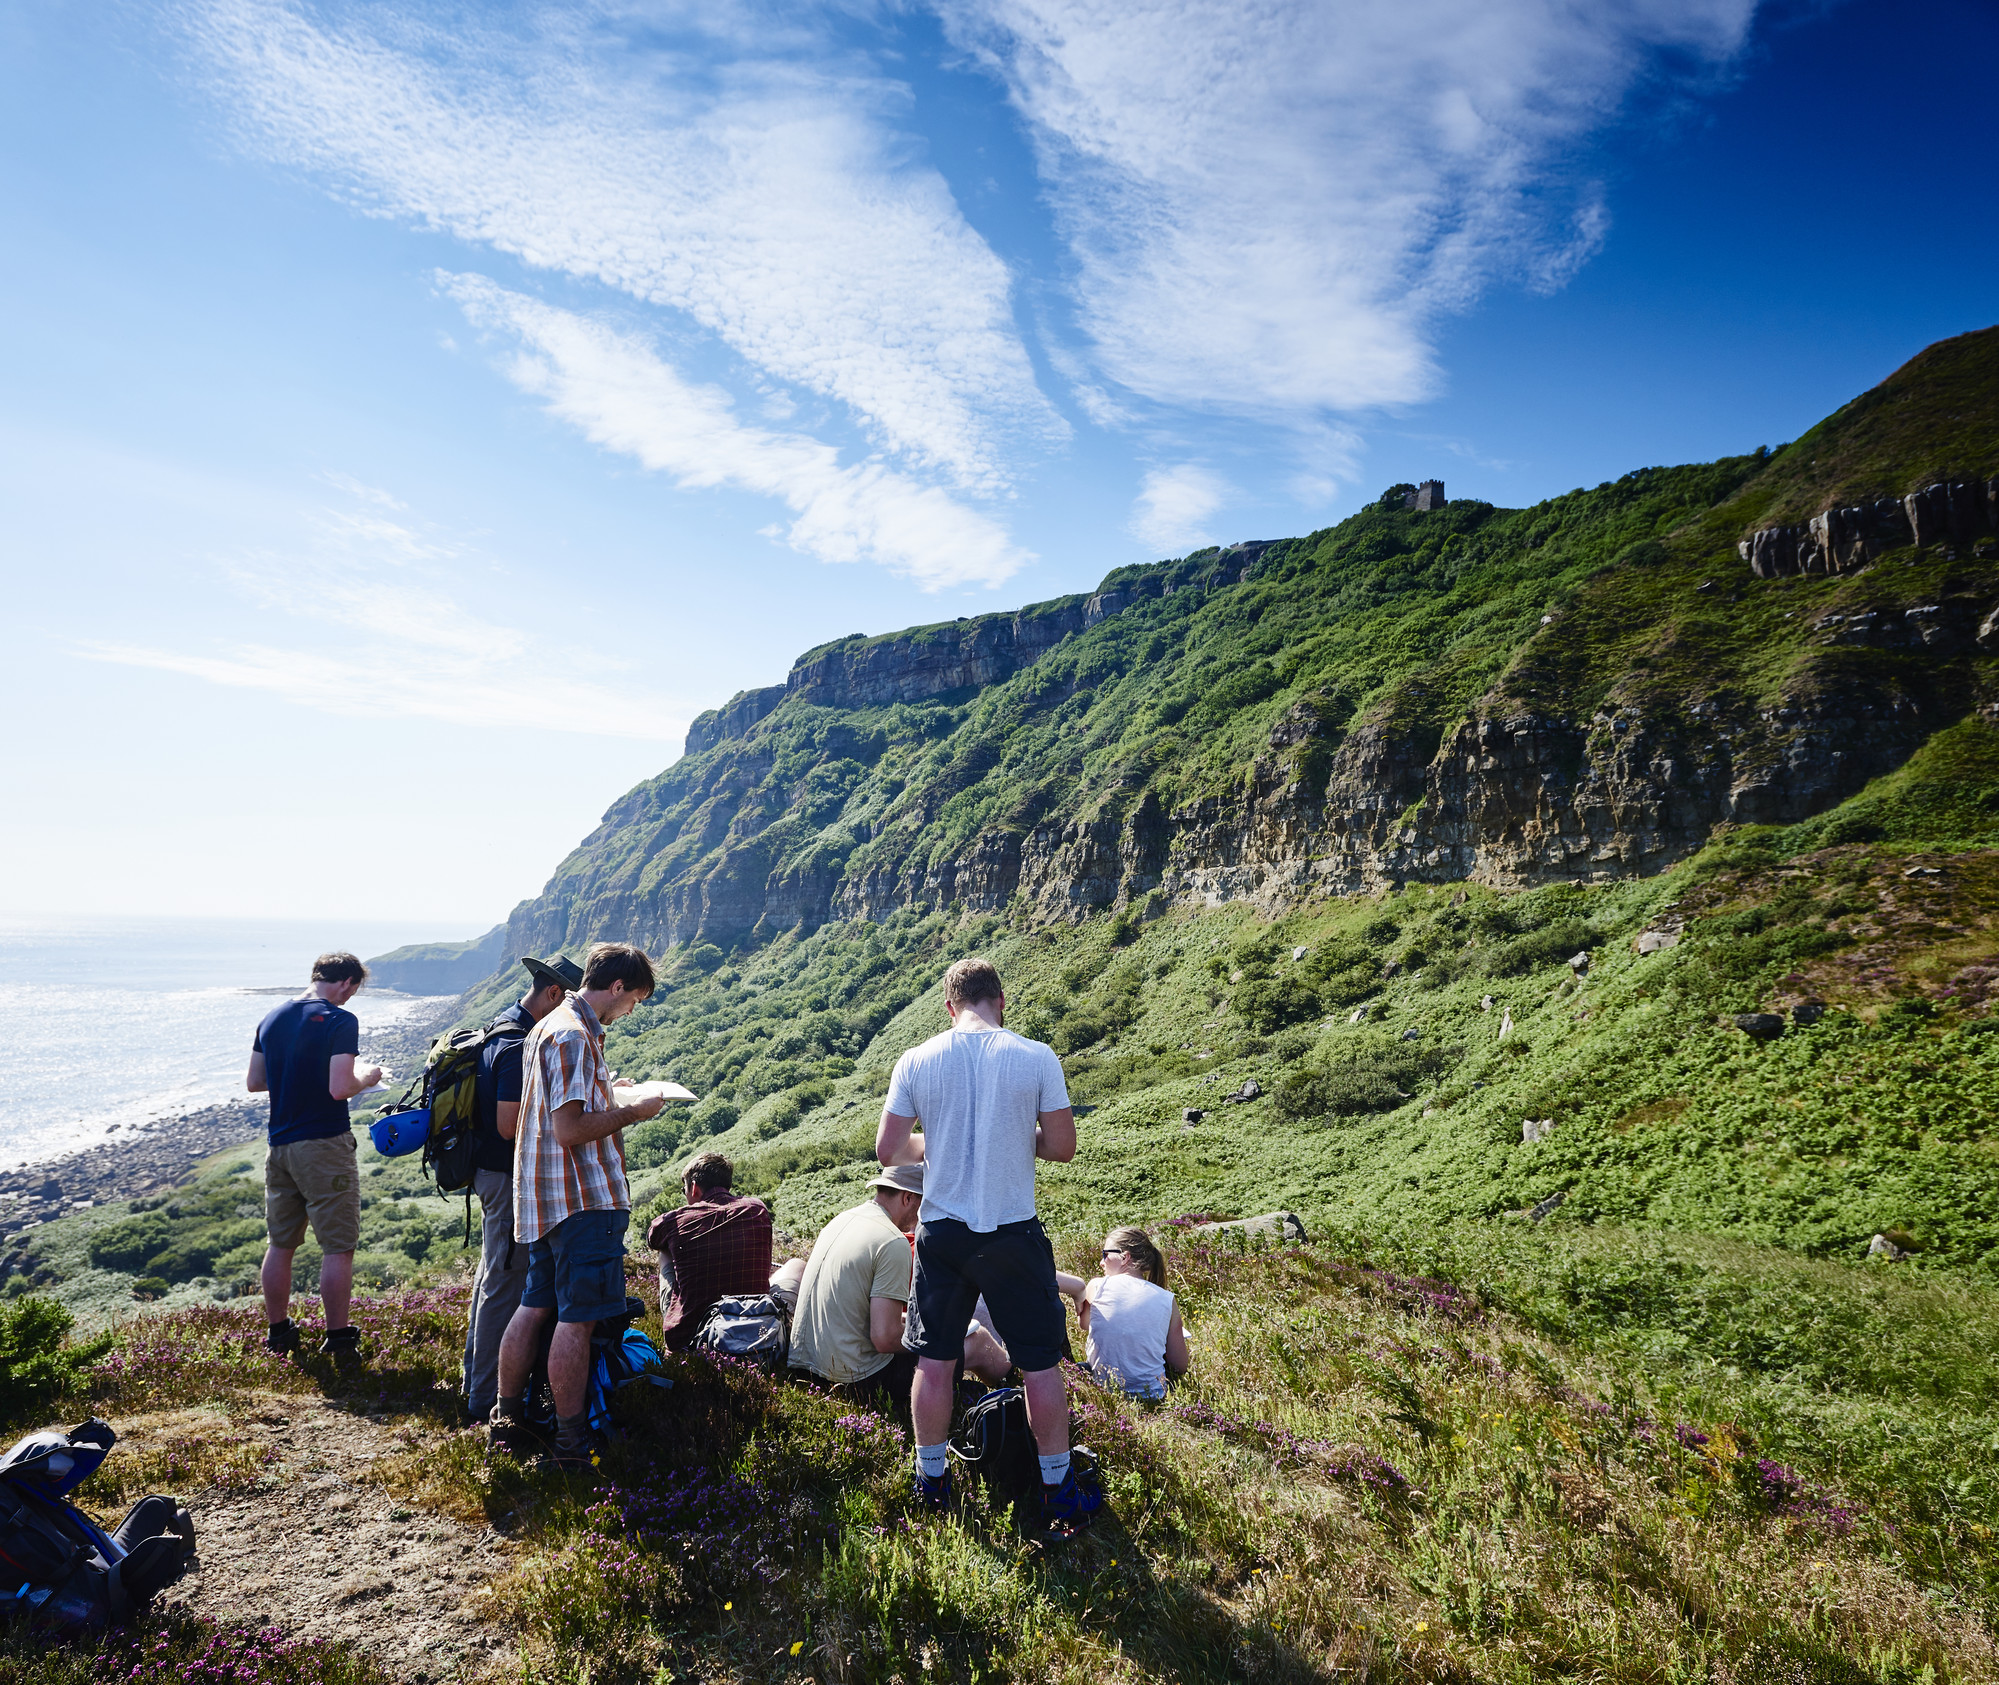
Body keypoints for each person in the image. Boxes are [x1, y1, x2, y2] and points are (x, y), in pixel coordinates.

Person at [877, 955, 1101, 1536]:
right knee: (1040, 1365)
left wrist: (948, 1140)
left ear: (949, 1008)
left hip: (943, 1230)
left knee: (935, 1358)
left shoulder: (917, 1059)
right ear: (1000, 1001)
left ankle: (931, 1484)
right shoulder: (1035, 1056)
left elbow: (890, 1151)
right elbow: (1061, 1147)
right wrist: (1008, 1133)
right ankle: (1057, 1491)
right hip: (1012, 1231)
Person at [489, 942, 663, 1469]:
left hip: (544, 1196)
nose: (632, 1010)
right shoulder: (571, 1035)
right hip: (581, 1199)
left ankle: (508, 1419)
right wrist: (632, 1113)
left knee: (535, 1304)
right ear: (616, 988)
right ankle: (570, 1444)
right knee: (579, 1319)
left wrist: (609, 1088)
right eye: (634, 999)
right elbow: (569, 1130)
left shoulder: (553, 1024)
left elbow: (557, 1102)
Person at [460, 954, 583, 1426]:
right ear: (554, 993)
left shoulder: (502, 1024)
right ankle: (485, 1400)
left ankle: (477, 1381)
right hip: (504, 1177)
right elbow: (510, 1125)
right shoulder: (516, 1044)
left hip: (489, 1175)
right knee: (506, 1284)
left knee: (493, 1278)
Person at [246, 951, 384, 1358]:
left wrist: (297, 1077)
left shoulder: (271, 1018)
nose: (350, 999)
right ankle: (339, 1340)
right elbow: (340, 1088)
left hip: (280, 1144)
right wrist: (369, 1078)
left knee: (281, 1242)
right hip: (324, 1144)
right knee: (338, 1246)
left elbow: (256, 1081)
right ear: (346, 982)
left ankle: (278, 1333)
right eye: (353, 991)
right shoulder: (340, 1020)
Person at [646, 1152, 772, 1351]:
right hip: (757, 1331)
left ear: (694, 1188)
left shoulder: (675, 1221)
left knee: (664, 1252)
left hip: (690, 1339)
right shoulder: (758, 1209)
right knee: (794, 1266)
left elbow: (653, 1237)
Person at [1056, 1226, 1190, 1401]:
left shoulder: (1097, 1286)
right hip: (1152, 1395)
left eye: (1105, 1255)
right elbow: (1180, 1365)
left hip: (1102, 1391)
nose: (1101, 1262)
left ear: (1124, 1257)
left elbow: (1084, 1324)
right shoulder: (1167, 1299)